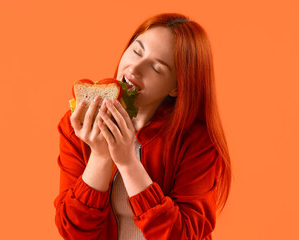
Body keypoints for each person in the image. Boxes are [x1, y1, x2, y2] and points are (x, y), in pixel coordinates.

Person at [53, 12, 232, 240]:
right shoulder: (79, 126)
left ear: (176, 88)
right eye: (137, 51)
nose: (135, 69)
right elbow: (74, 231)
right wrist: (100, 156)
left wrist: (128, 162)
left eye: (156, 68)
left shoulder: (197, 141)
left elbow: (185, 235)